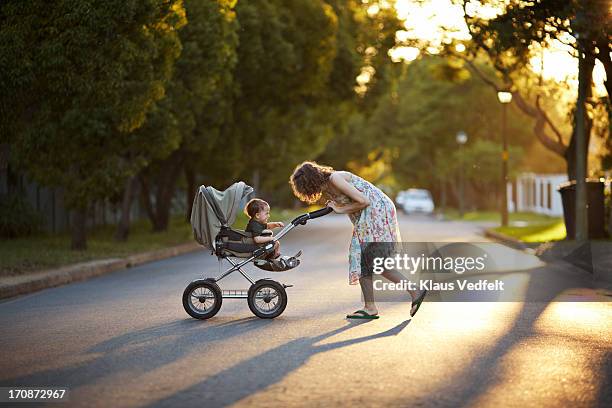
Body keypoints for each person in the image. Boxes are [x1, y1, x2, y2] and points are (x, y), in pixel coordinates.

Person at [289, 161, 427, 319]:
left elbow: (363, 201)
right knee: (373, 262)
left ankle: (372, 307)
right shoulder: (328, 186)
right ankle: (410, 292)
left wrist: (339, 209)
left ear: (311, 181)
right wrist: (336, 206)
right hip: (370, 214)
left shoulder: (335, 179)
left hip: (377, 211)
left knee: (363, 257)